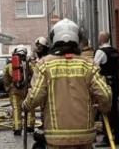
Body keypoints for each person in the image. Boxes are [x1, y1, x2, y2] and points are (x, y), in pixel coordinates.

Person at [23, 18, 112, 149]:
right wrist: (104, 108)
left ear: (54, 38)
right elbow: (105, 93)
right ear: (77, 39)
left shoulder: (45, 65)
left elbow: (35, 96)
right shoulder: (88, 64)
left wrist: (25, 105)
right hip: (84, 135)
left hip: (56, 137)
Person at [94, 31, 119, 147]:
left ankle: (108, 138)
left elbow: (94, 68)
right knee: (115, 111)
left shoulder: (101, 52)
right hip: (116, 83)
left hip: (106, 84)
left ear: (100, 39)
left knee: (106, 111)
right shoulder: (115, 51)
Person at [3, 45, 35, 135]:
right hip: (27, 89)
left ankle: (17, 128)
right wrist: (31, 85)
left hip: (14, 90)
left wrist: (8, 87)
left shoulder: (10, 64)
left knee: (16, 109)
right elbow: (36, 74)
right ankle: (30, 126)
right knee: (30, 106)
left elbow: (5, 77)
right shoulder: (29, 63)